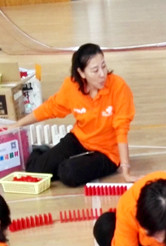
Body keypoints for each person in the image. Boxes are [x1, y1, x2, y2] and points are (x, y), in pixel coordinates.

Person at [10, 43, 135, 187]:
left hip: (107, 153)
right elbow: (50, 108)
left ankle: (66, 165)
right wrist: (17, 125)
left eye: (103, 66)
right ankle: (42, 151)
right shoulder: (72, 87)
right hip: (80, 139)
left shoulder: (119, 87)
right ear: (82, 73)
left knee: (68, 173)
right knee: (35, 170)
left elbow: (121, 129)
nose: (102, 74)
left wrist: (126, 170)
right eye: (95, 70)